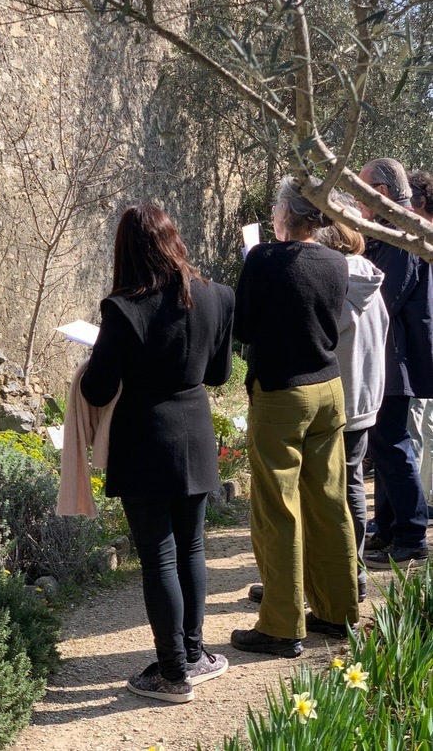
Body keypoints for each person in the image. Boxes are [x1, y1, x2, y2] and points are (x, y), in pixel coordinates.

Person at [80, 204, 235, 704]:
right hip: (196, 433)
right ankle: (192, 654)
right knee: (191, 549)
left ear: (128, 249)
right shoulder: (216, 296)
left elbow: (99, 389)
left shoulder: (125, 307)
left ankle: (171, 673)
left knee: (158, 558)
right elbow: (218, 375)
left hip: (145, 439)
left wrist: (95, 362)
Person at [231, 177, 359, 659]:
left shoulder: (263, 259)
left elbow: (242, 328)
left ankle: (282, 627)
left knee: (276, 509)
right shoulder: (336, 261)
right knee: (329, 503)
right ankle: (336, 612)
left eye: (275, 207)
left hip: (282, 393)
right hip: (329, 389)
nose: (272, 213)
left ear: (286, 212)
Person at [358, 159, 431, 567]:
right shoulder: (396, 230)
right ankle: (387, 529)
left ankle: (411, 534)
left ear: (381, 193)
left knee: (394, 446)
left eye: (362, 192)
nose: (359, 203)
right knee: (384, 448)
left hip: (393, 361)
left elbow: (384, 296)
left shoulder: (403, 233)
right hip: (385, 358)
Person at [316, 199, 389, 602]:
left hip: (334, 397)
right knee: (353, 486)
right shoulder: (371, 276)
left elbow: (325, 329)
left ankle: (341, 578)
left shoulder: (337, 279)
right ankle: (353, 573)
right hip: (363, 397)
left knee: (334, 492)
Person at [406, 170, 433, 519]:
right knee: (425, 424)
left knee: (416, 427)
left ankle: (413, 512)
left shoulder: (418, 243)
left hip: (420, 350)